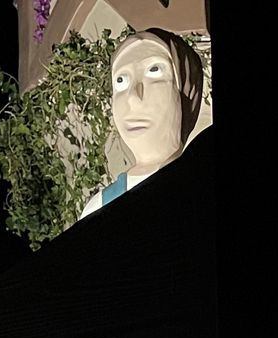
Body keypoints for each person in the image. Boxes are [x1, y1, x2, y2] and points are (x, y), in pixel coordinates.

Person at [80, 29, 206, 219]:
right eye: (121, 81)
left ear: (186, 91)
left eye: (154, 71)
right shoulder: (97, 209)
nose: (133, 97)